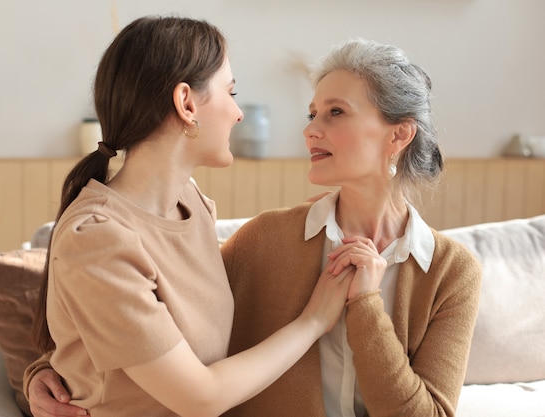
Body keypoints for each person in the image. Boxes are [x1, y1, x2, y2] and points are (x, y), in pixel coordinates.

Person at [26, 37, 482, 417]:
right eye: (312, 114)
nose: (310, 130)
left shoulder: (451, 271)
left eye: (335, 113)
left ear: (398, 135)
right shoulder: (268, 240)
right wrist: (48, 371)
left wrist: (364, 305)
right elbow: (146, 314)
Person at [25, 15, 357, 417]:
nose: (238, 113)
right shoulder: (97, 237)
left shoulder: (190, 202)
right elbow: (201, 399)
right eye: (231, 92)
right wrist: (314, 320)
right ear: (186, 104)